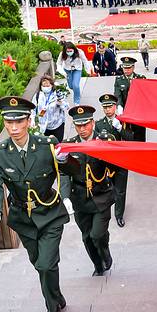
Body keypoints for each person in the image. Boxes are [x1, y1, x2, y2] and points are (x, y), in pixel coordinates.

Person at [0, 96, 78, 312]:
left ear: (28, 121)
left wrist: (64, 160)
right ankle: (56, 295)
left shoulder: (47, 145)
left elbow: (73, 171)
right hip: (23, 219)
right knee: (39, 263)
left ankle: (52, 310)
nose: (14, 128)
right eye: (9, 122)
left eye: (19, 122)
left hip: (50, 213)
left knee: (46, 264)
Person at [60, 105, 116, 276]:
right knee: (87, 237)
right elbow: (64, 173)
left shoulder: (104, 140)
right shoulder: (70, 145)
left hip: (101, 195)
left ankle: (105, 254)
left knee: (97, 234)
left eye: (85, 124)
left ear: (92, 123)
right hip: (80, 197)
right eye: (78, 125)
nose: (82, 129)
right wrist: (65, 196)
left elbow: (116, 166)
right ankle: (98, 265)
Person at [94, 94, 128, 228]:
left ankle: (119, 215)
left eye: (110, 107)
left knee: (120, 190)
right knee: (107, 189)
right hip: (106, 163)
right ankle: (104, 211)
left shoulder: (123, 121)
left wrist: (120, 128)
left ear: (115, 106)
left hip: (120, 161)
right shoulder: (99, 124)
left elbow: (131, 139)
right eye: (105, 107)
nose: (107, 110)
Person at [114, 56, 147, 141]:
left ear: (133, 67)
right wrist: (119, 106)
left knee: (140, 136)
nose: (126, 70)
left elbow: (145, 95)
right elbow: (117, 95)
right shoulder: (119, 80)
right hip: (126, 113)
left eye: (128, 68)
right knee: (127, 136)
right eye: (125, 68)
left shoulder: (141, 78)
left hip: (139, 113)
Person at [30, 74, 68, 142]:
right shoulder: (37, 96)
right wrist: (32, 119)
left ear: (52, 85)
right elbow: (33, 108)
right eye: (43, 86)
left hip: (57, 125)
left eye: (47, 86)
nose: (45, 88)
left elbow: (66, 107)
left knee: (57, 143)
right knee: (46, 145)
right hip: (43, 126)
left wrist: (60, 102)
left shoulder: (57, 94)